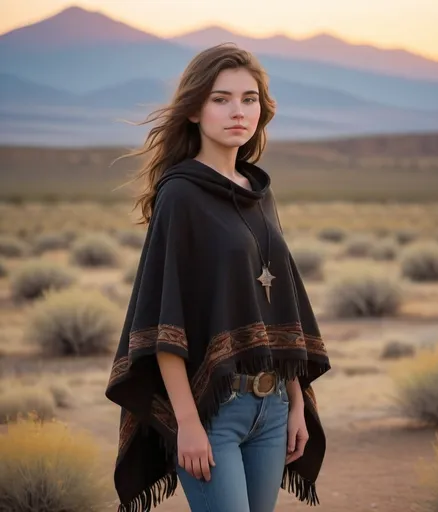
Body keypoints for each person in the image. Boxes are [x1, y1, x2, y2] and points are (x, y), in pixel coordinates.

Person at [105, 43, 331, 512]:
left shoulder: (260, 192)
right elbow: (164, 322)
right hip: (212, 411)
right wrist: (187, 423)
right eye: (221, 98)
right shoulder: (181, 195)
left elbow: (278, 308)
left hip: (271, 411)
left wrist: (294, 403)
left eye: (249, 100)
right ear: (194, 110)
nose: (238, 112)